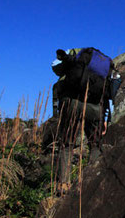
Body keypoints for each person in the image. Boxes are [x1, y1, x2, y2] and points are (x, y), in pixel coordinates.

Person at [48, 48, 118, 192]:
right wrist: (105, 119)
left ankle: (64, 184)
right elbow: (109, 93)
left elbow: (54, 66)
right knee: (95, 144)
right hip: (96, 108)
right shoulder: (107, 66)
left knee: (67, 143)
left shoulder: (77, 52)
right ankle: (91, 183)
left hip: (73, 103)